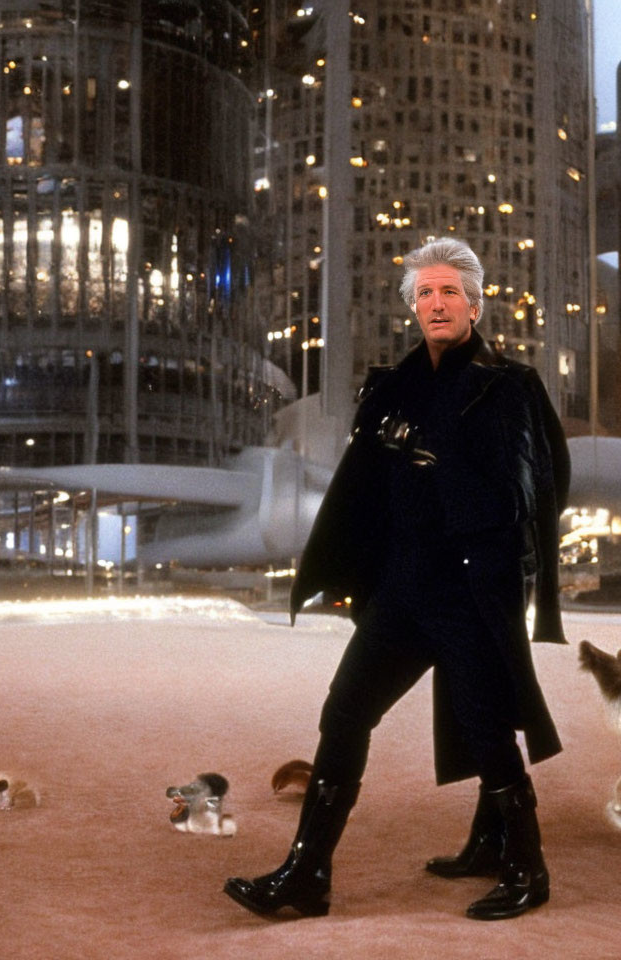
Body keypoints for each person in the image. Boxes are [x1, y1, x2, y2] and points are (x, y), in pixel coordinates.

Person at [224, 237, 570, 922]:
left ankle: (528, 870)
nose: (436, 303)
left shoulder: (510, 386)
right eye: (424, 293)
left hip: (470, 590)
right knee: (345, 711)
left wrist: (439, 461)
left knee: (488, 728)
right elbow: (367, 490)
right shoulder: (394, 387)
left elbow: (535, 488)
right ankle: (307, 873)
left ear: (473, 302)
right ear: (413, 306)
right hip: (404, 588)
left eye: (448, 291)